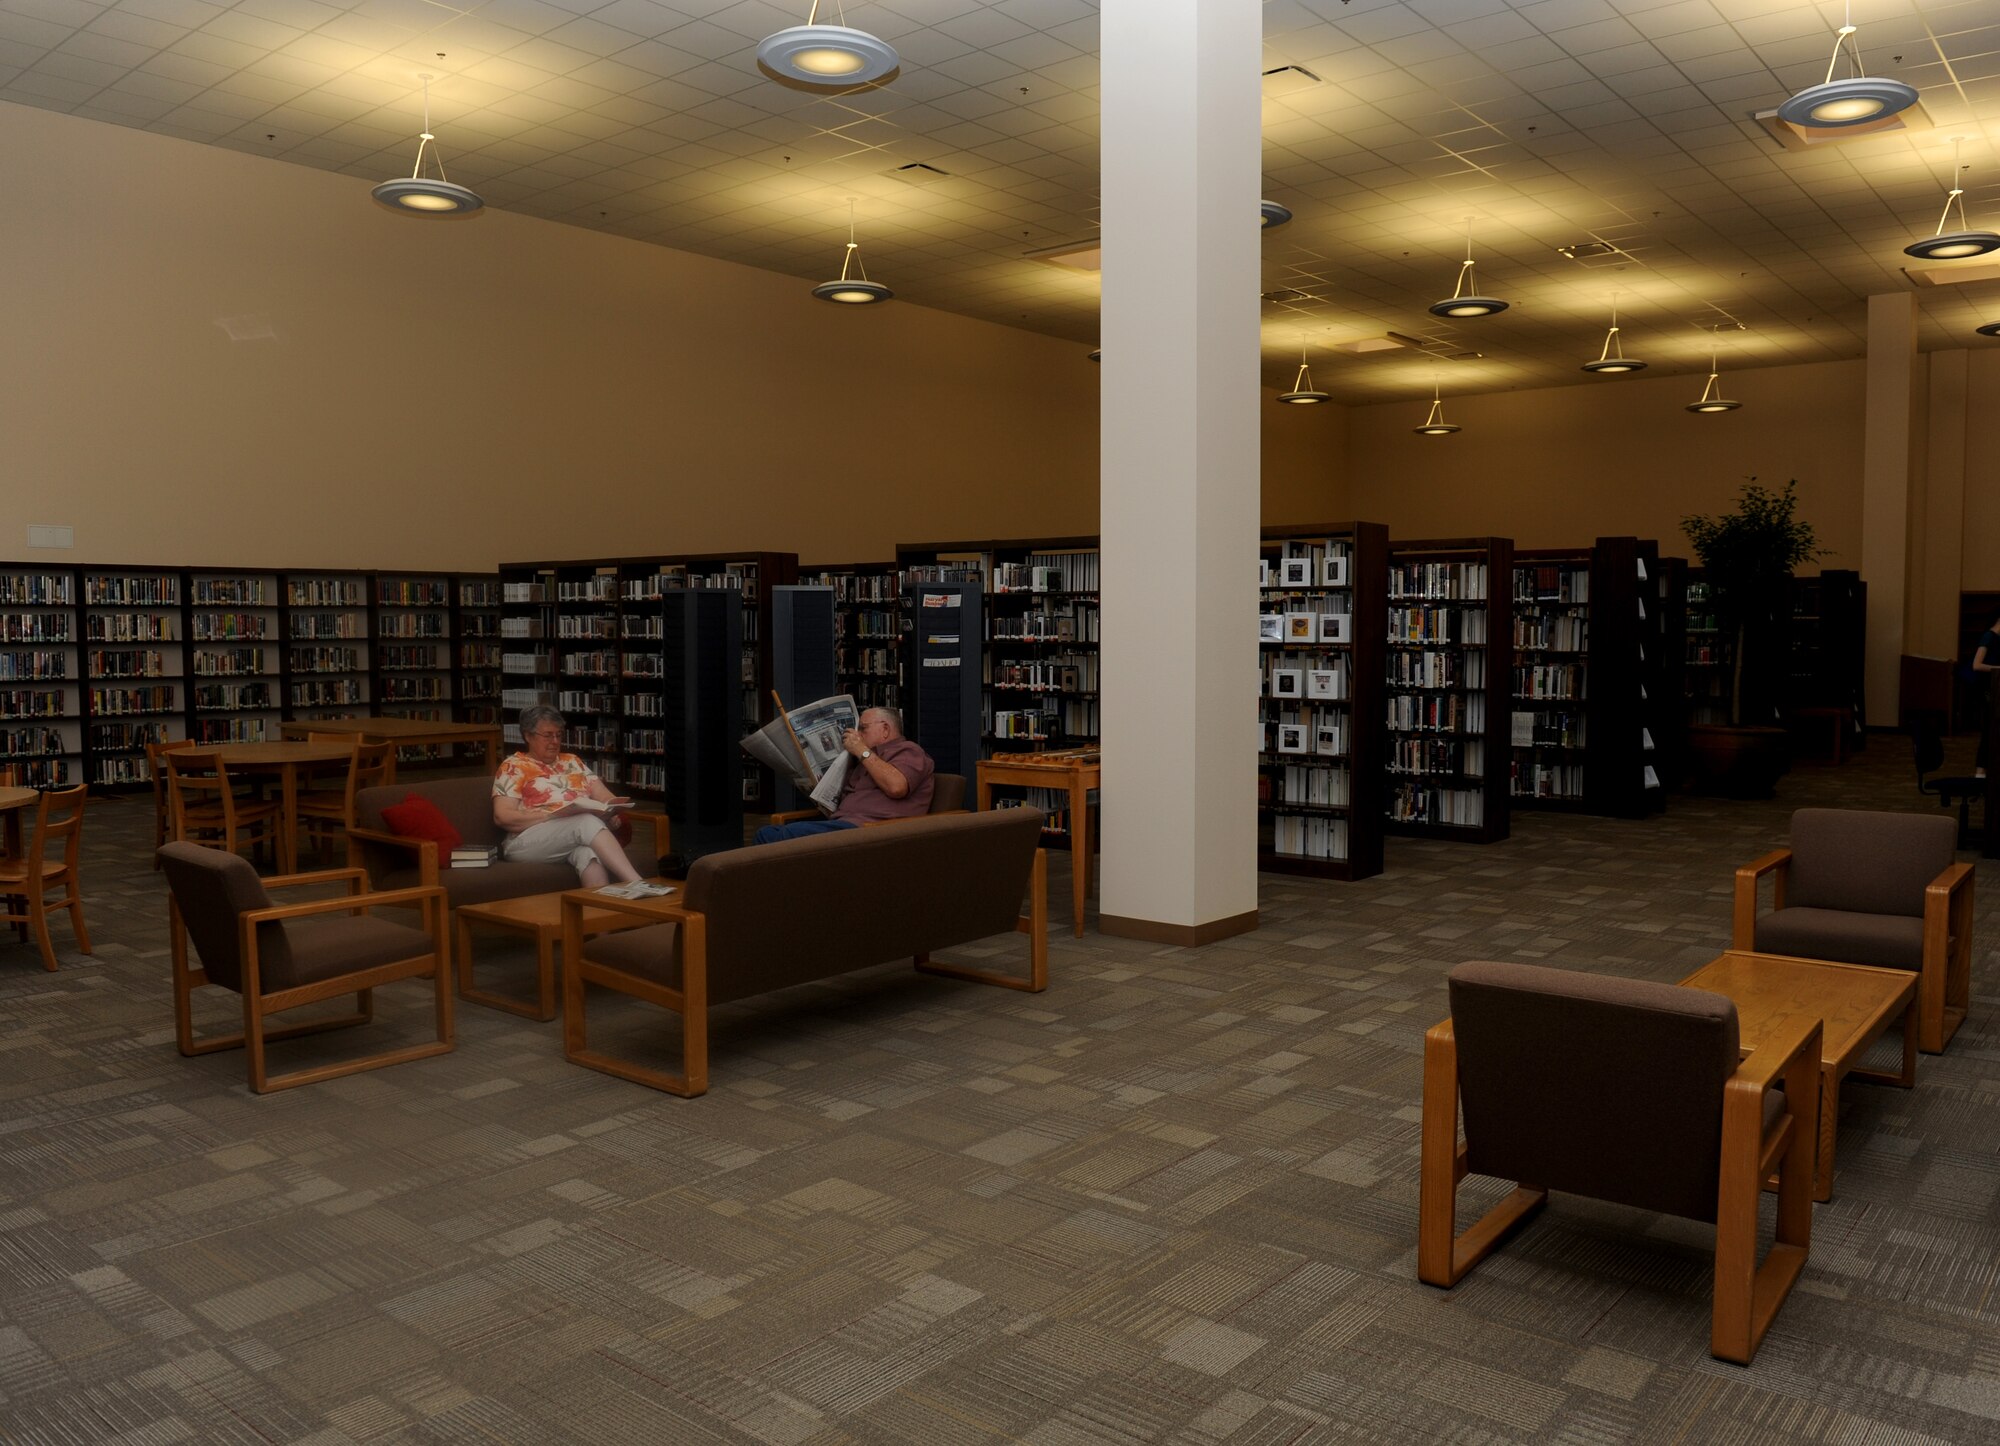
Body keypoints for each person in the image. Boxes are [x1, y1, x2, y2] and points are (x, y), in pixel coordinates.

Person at [492, 705, 646, 886]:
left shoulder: (573, 761)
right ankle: (637, 883)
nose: (555, 741)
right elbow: (502, 816)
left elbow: (605, 796)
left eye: (559, 734)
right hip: (525, 841)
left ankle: (597, 910)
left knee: (588, 854)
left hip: (569, 836)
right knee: (584, 822)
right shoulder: (513, 766)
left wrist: (609, 811)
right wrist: (552, 815)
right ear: (528, 735)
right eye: (548, 735)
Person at [753, 706, 935, 844]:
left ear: (886, 729)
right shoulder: (865, 761)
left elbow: (897, 787)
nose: (857, 734)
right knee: (769, 833)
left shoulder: (908, 751)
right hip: (843, 825)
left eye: (863, 728)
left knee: (779, 835)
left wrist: (862, 751)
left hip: (871, 832)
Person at [1974, 611, 1999, 777]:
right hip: (1988, 691)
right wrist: (1998, 669)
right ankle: (1980, 772)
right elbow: (1976, 665)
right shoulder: (1989, 637)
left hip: (1996, 689)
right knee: (1990, 731)